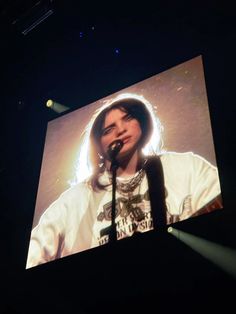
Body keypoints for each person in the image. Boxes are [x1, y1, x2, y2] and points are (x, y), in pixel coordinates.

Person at [26, 93, 222, 269]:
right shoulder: (74, 200)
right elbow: (33, 254)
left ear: (142, 122)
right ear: (98, 144)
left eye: (128, 118)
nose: (120, 130)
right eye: (108, 129)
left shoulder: (185, 166)